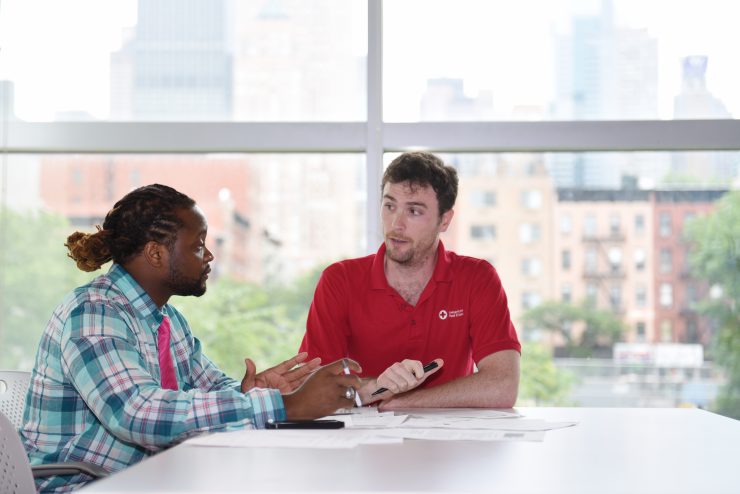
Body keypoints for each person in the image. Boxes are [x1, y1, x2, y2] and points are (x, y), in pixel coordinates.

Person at [20, 184, 362, 493]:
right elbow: (137, 414)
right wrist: (286, 406)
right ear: (156, 253)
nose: (209, 256)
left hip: (148, 478)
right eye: (198, 245)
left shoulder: (168, 321)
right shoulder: (94, 313)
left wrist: (251, 393)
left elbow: (210, 389)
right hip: (83, 486)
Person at [300, 151, 521, 408]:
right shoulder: (339, 280)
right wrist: (373, 389)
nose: (396, 224)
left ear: (444, 220)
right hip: (364, 441)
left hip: (453, 443)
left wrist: (407, 401)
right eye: (389, 205)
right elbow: (312, 389)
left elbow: (503, 386)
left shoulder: (477, 278)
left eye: (414, 211)